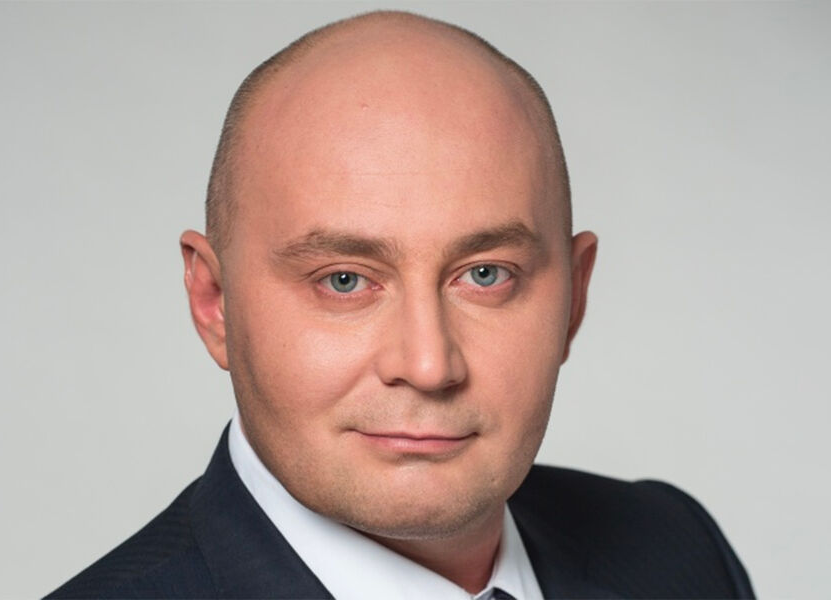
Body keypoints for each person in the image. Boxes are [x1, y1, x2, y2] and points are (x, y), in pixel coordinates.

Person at [47, 10, 754, 600]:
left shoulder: (676, 551)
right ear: (215, 303)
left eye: (486, 275)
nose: (427, 365)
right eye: (344, 281)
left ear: (574, 297)